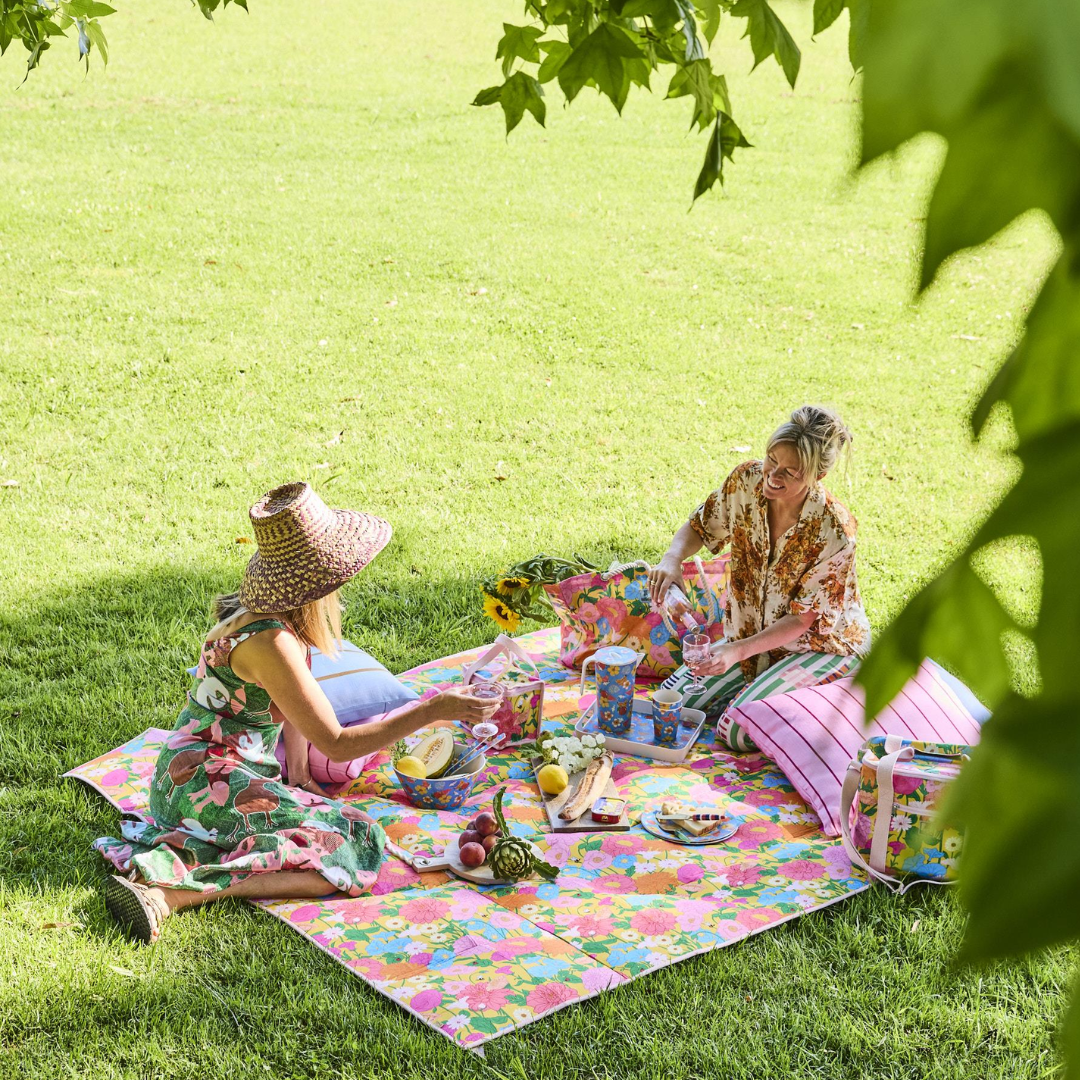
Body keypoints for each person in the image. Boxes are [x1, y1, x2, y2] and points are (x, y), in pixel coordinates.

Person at [97, 482, 498, 943]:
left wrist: (302, 778)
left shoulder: (261, 619)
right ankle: (169, 896)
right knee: (350, 849)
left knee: (340, 828)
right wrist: (433, 709)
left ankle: (182, 862)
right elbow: (337, 743)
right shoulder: (272, 642)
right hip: (204, 783)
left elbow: (290, 710)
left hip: (192, 775)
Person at [648, 405, 871, 751]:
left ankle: (834, 693)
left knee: (736, 731)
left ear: (818, 476)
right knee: (670, 703)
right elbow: (701, 526)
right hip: (750, 639)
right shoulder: (745, 481)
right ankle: (761, 692)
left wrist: (735, 651)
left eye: (790, 472)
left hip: (819, 646)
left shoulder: (835, 531)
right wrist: (672, 558)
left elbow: (803, 619)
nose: (773, 475)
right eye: (772, 459)